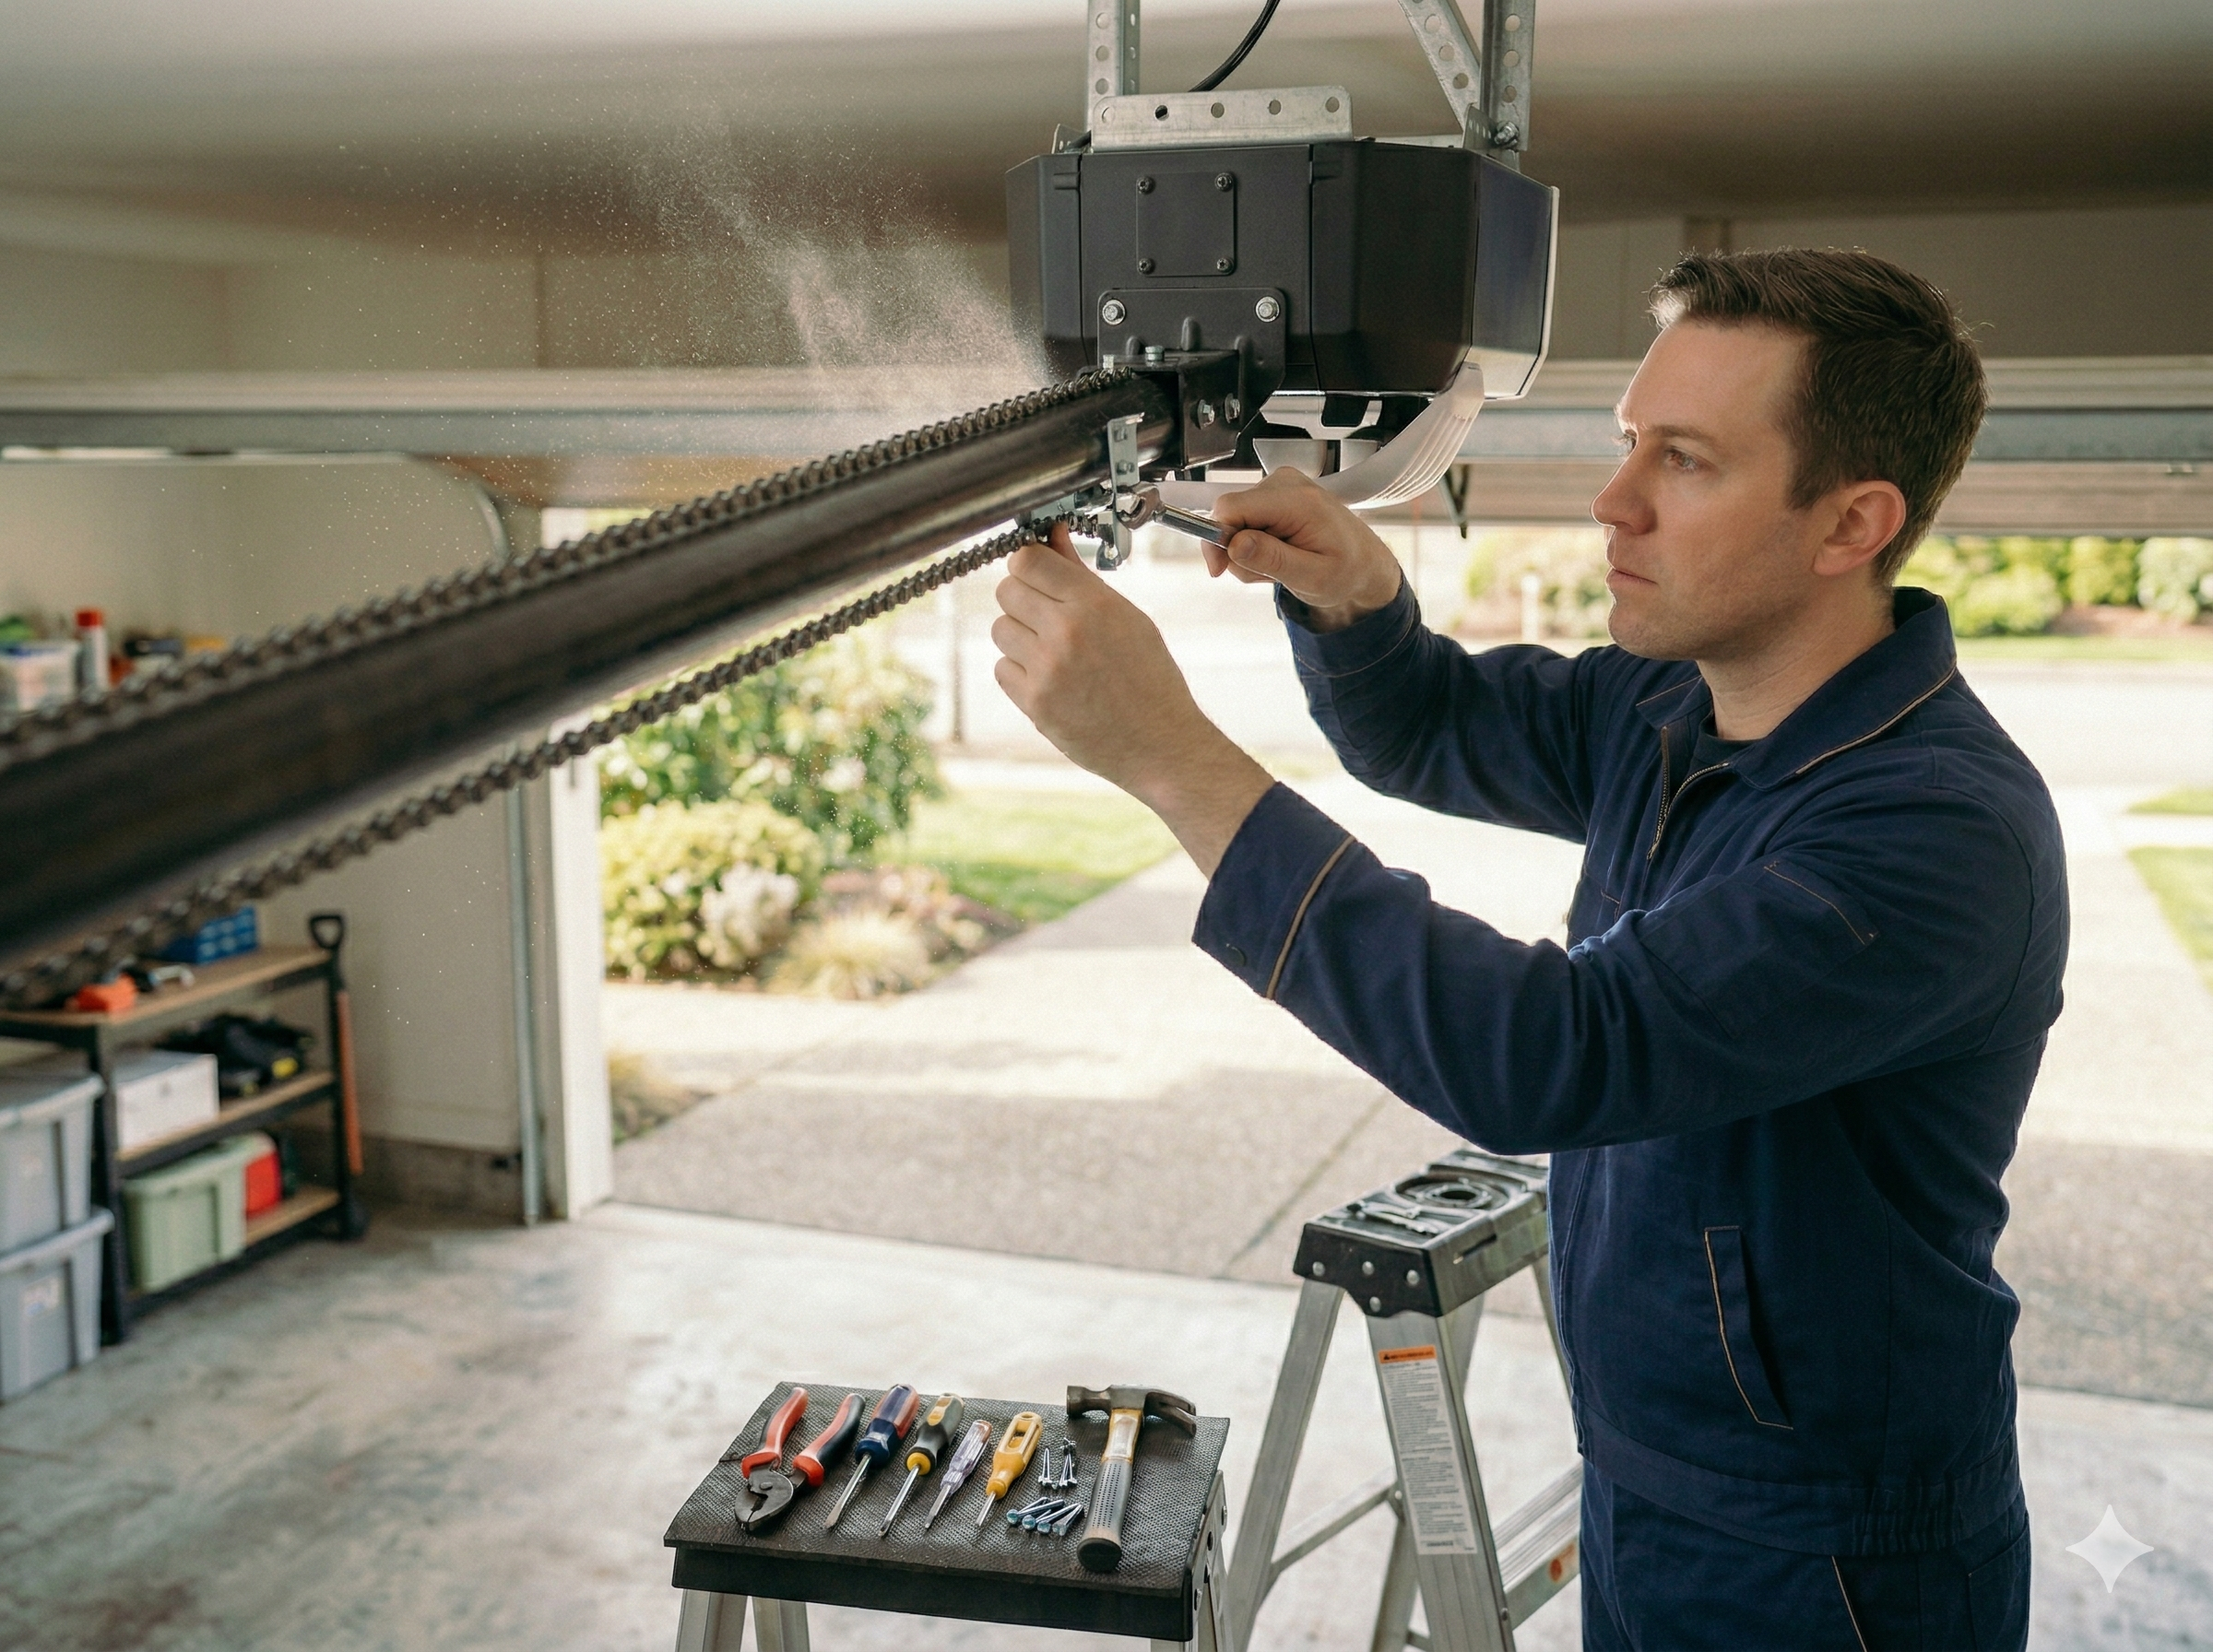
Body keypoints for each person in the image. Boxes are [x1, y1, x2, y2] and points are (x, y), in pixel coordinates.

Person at [989, 249, 2063, 1649]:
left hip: (1828, 1558)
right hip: (1647, 1480)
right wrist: (1356, 599)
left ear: (1850, 523)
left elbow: (1553, 1054)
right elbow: (1433, 729)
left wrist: (1176, 764)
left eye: (1682, 461)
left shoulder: (1932, 836)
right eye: (1630, 444)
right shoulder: (1676, 701)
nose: (1612, 502)